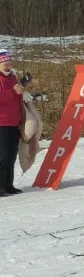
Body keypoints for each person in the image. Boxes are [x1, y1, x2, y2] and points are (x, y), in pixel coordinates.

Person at [0, 49, 25, 196]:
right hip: (1, 122)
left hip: (14, 120)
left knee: (12, 154)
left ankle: (9, 185)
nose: (8, 63)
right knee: (3, 156)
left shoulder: (13, 77)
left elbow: (15, 96)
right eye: (4, 61)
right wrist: (13, 92)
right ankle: (1, 186)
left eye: (9, 61)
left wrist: (22, 90)